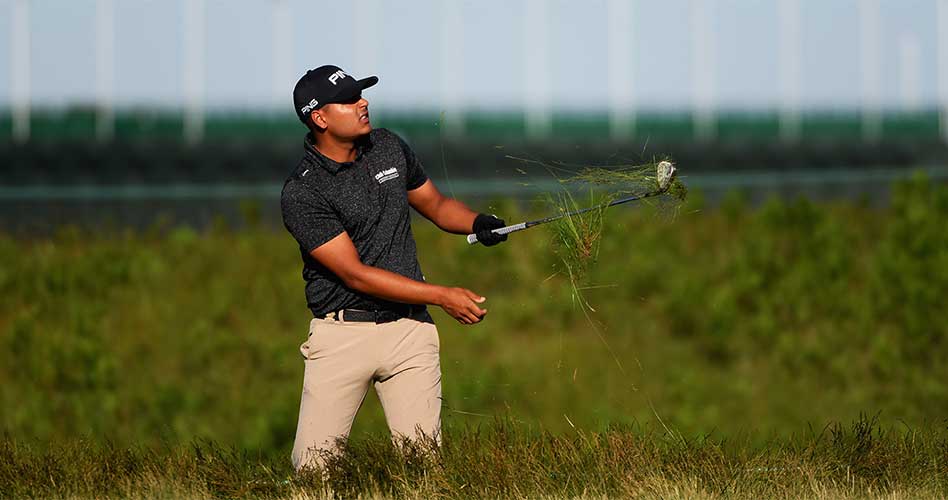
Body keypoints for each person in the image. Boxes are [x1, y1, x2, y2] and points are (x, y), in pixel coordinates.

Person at [281, 65, 508, 471]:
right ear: (320, 118)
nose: (362, 103)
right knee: (313, 475)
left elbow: (436, 206)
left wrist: (478, 223)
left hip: (410, 334)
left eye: (361, 94)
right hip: (342, 337)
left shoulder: (388, 146)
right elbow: (355, 274)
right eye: (349, 100)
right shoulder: (304, 191)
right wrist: (441, 295)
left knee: (425, 471)